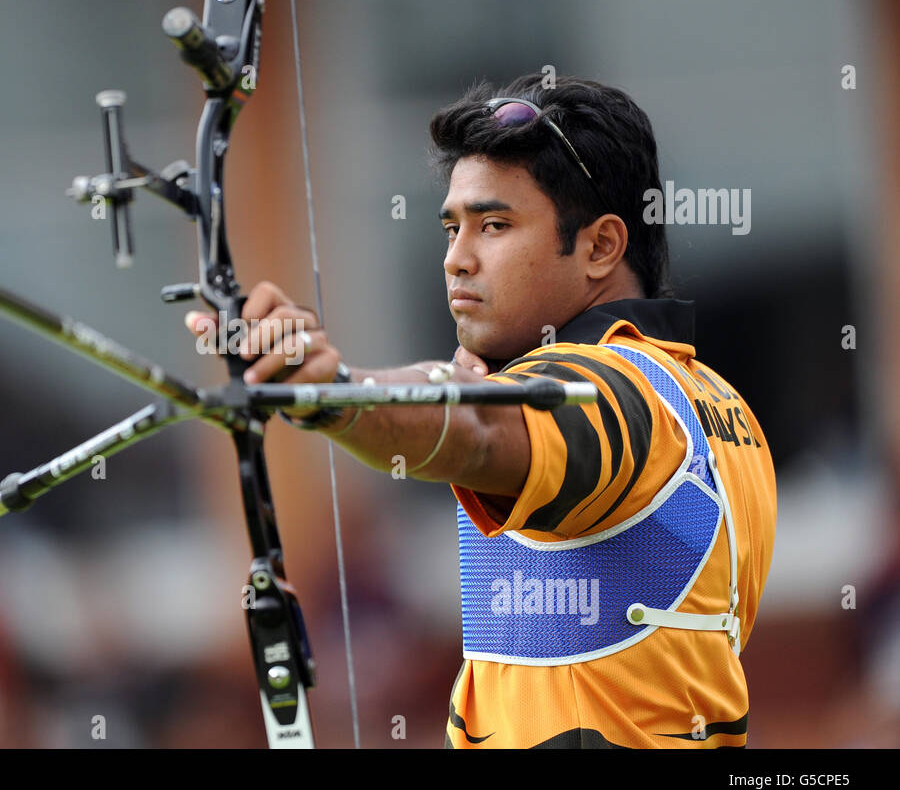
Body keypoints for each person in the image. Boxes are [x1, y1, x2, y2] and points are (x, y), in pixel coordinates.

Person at [182, 73, 777, 748]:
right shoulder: (718, 403)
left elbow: (480, 429)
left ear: (601, 246)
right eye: (451, 228)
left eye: (494, 225)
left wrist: (335, 392)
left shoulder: (614, 390)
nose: (456, 260)